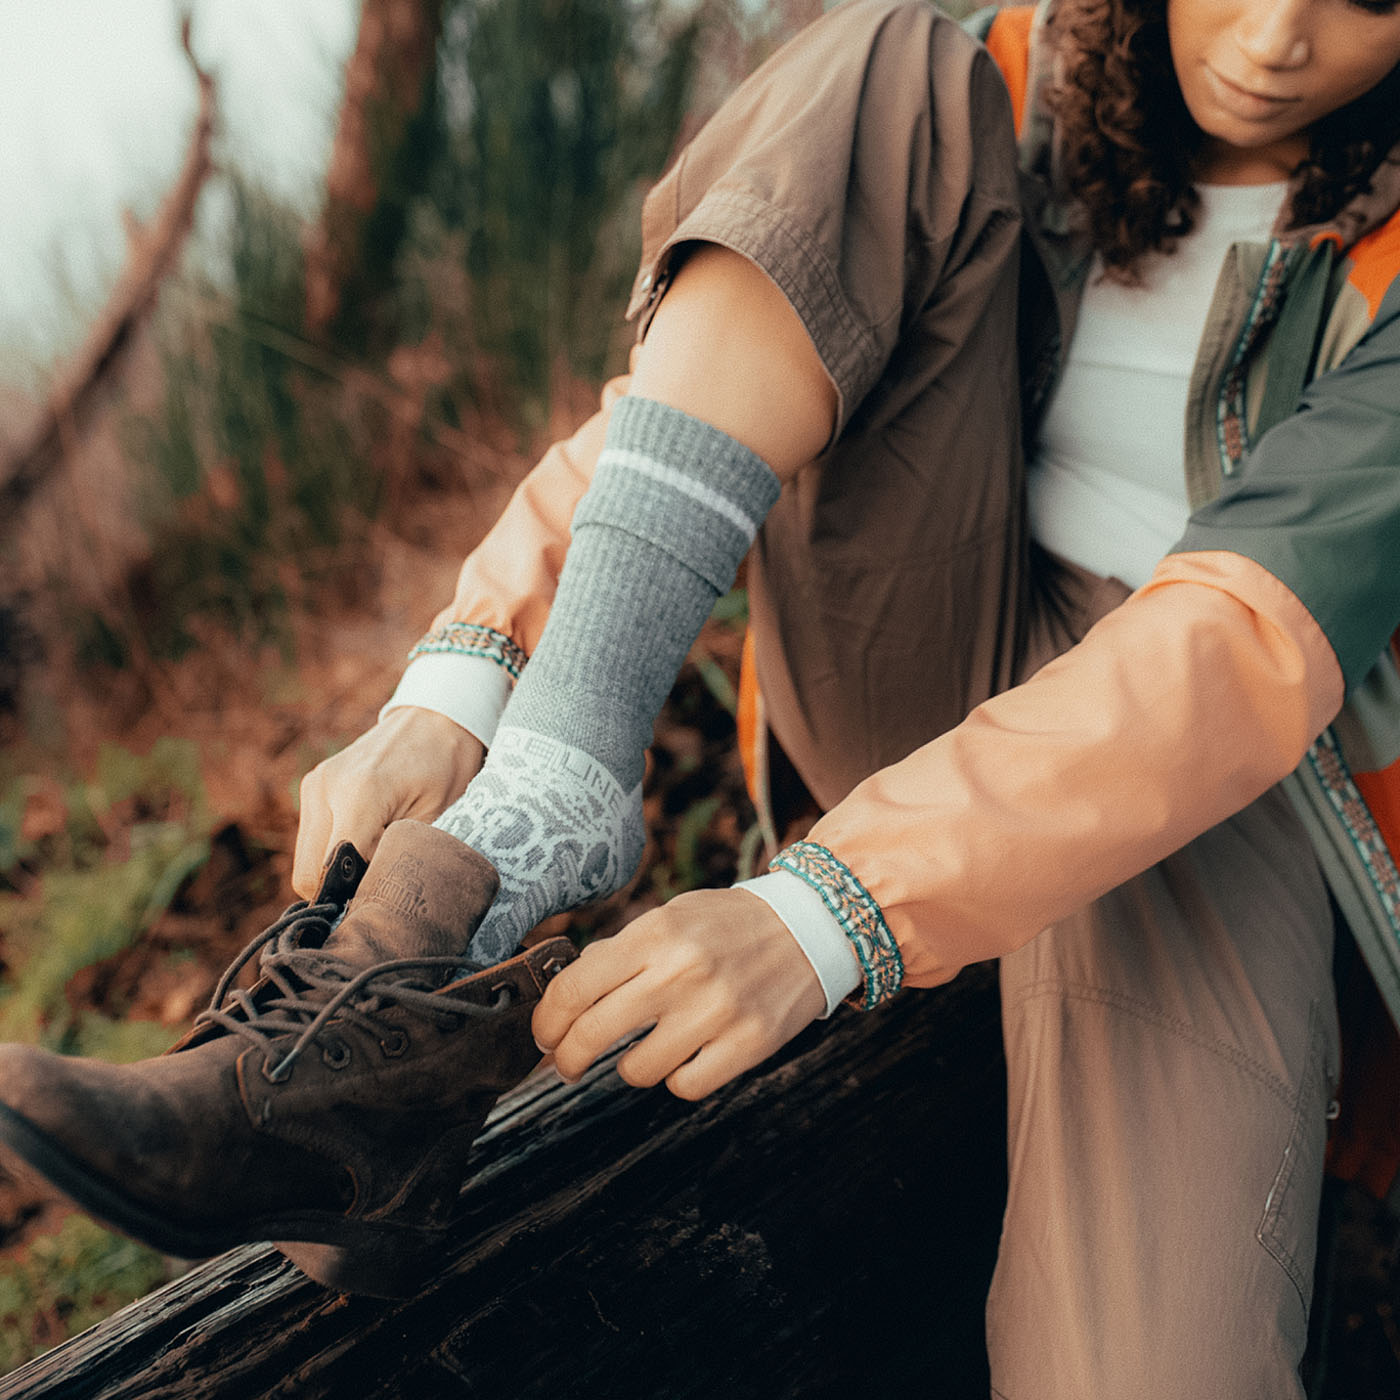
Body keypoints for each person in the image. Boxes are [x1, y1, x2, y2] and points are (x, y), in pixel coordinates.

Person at [2, 0, 1400, 1392]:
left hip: (1205, 759)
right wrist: (467, 666)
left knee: (1156, 1360)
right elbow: (688, 403)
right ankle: (470, 892)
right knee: (892, 57)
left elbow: (1237, 645)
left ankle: (383, 1125)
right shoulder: (993, 91)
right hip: (915, 630)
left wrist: (826, 909)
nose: (1277, 36)